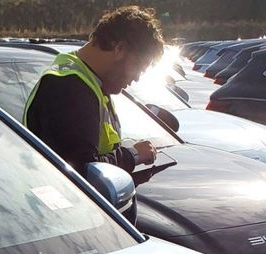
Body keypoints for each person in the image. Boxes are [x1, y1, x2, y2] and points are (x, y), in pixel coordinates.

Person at [23, 5, 165, 176]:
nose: (136, 78)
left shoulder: (90, 82)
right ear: (120, 49)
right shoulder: (69, 88)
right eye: (138, 67)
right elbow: (82, 171)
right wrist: (133, 155)